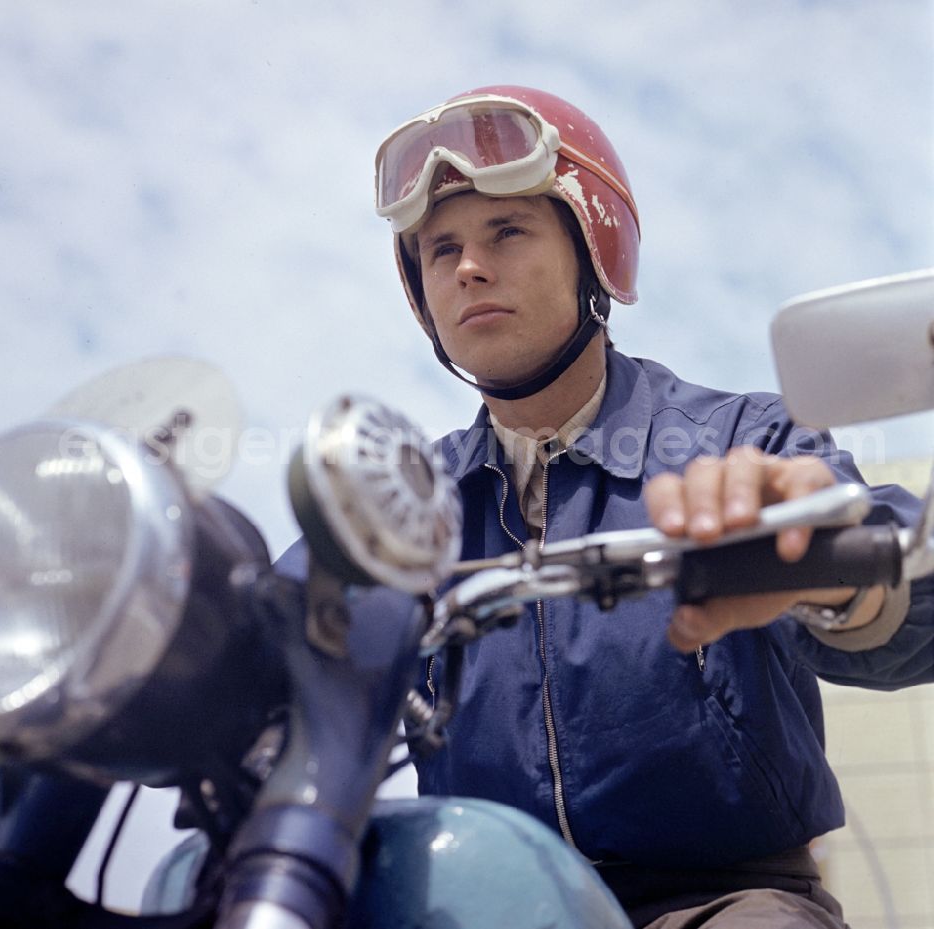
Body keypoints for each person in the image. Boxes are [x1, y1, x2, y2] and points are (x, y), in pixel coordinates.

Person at [371, 85, 934, 928]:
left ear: (593, 247)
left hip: (720, 897)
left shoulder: (745, 441)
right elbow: (257, 642)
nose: (468, 268)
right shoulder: (402, 508)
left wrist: (831, 560)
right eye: (440, 248)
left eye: (507, 231)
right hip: (476, 906)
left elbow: (912, 588)